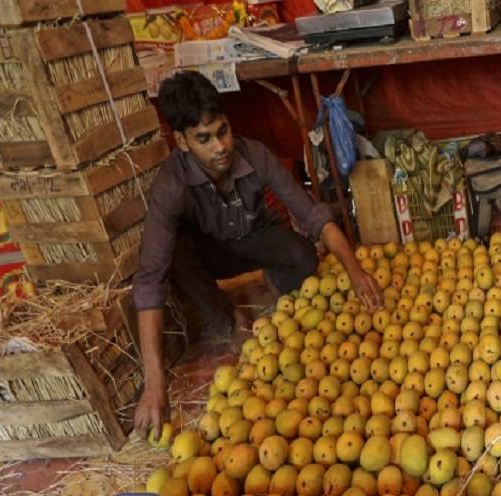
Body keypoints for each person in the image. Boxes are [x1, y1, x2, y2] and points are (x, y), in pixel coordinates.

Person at [132, 71, 382, 437]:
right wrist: (154, 383)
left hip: (254, 238)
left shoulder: (255, 155)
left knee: (301, 255)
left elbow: (312, 215)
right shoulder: (170, 185)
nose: (220, 147)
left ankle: (282, 305)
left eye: (222, 131)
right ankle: (227, 320)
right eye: (204, 139)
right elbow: (149, 281)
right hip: (205, 254)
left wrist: (355, 271)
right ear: (182, 142)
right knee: (172, 257)